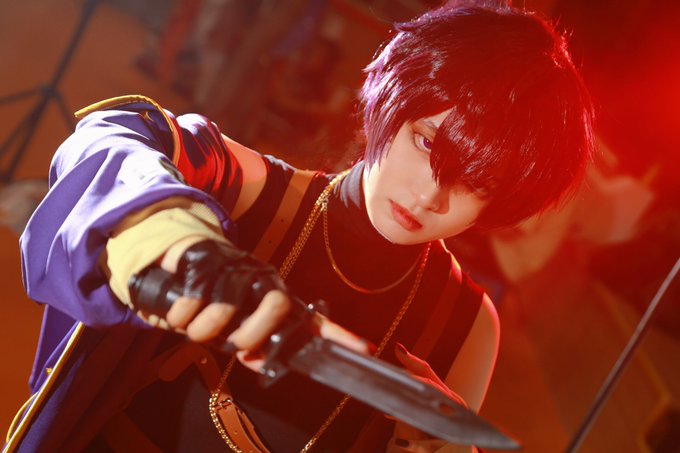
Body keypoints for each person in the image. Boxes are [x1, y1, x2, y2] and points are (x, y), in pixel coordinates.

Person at [6, 2, 593, 452]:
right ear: (394, 95)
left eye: (476, 185)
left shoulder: (464, 324)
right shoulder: (247, 187)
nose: (429, 195)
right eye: (425, 142)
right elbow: (115, 137)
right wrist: (177, 238)